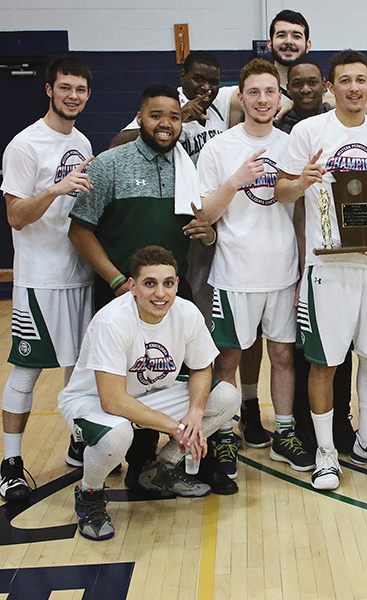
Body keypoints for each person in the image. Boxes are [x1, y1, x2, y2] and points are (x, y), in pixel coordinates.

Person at [276, 50, 367, 490]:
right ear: (331, 88)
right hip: (327, 266)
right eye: (345, 81)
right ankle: (325, 452)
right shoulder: (308, 130)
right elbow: (281, 192)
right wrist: (301, 182)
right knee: (325, 362)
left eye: (361, 80)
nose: (354, 87)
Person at [68, 82, 215, 487]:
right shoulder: (110, 164)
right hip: (118, 290)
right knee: (124, 378)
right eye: (156, 115)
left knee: (162, 376)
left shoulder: (190, 168)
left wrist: (210, 234)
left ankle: (150, 467)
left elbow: (203, 230)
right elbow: (79, 231)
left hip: (169, 292)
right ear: (140, 118)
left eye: (173, 116)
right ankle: (106, 449)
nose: (166, 124)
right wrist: (117, 280)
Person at [58, 246, 240, 541]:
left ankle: (161, 468)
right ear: (132, 286)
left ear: (177, 284)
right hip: (93, 402)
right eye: (150, 283)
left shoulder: (186, 312)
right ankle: (90, 494)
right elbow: (112, 400)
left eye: (168, 283)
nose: (160, 293)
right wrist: (177, 427)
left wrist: (194, 413)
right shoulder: (113, 321)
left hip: (150, 392)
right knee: (117, 437)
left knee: (226, 397)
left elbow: (201, 368)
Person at [196, 59, 303, 477]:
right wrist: (235, 181)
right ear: (241, 96)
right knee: (228, 358)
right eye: (253, 92)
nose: (262, 99)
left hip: (282, 271)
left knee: (281, 355)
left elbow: (300, 208)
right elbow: (203, 214)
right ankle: (224, 434)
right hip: (234, 273)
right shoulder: (219, 148)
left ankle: (284, 432)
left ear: (280, 98)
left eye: (269, 92)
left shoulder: (292, 142)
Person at [0, 57, 95, 503]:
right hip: (39, 280)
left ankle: (78, 442)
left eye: (80, 89)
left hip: (78, 274)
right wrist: (55, 189)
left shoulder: (82, 140)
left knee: (79, 372)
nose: (72, 95)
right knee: (27, 371)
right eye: (65, 88)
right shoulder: (25, 145)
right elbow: (16, 216)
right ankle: (11, 463)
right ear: (49, 90)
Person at [275, 56, 356, 456]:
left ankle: (341, 420)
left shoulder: (338, 120)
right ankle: (304, 425)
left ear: (324, 86)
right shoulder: (283, 129)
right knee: (308, 348)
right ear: (287, 88)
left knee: (339, 346)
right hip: (294, 252)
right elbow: (284, 191)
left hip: (336, 252)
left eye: (312, 83)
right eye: (297, 84)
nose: (305, 90)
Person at [109, 51, 230, 163]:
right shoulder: (168, 103)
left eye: (213, 82)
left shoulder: (219, 104)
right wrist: (177, 118)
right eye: (198, 79)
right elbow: (116, 144)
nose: (206, 87)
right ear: (183, 76)